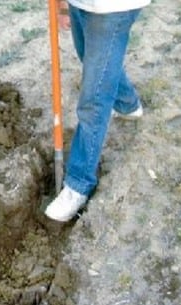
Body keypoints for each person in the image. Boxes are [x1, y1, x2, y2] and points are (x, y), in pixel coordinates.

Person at [45, 0, 151, 222]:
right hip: (81, 4)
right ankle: (127, 104)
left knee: (94, 98)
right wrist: (62, 5)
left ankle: (78, 183)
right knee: (94, 62)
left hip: (111, 7)